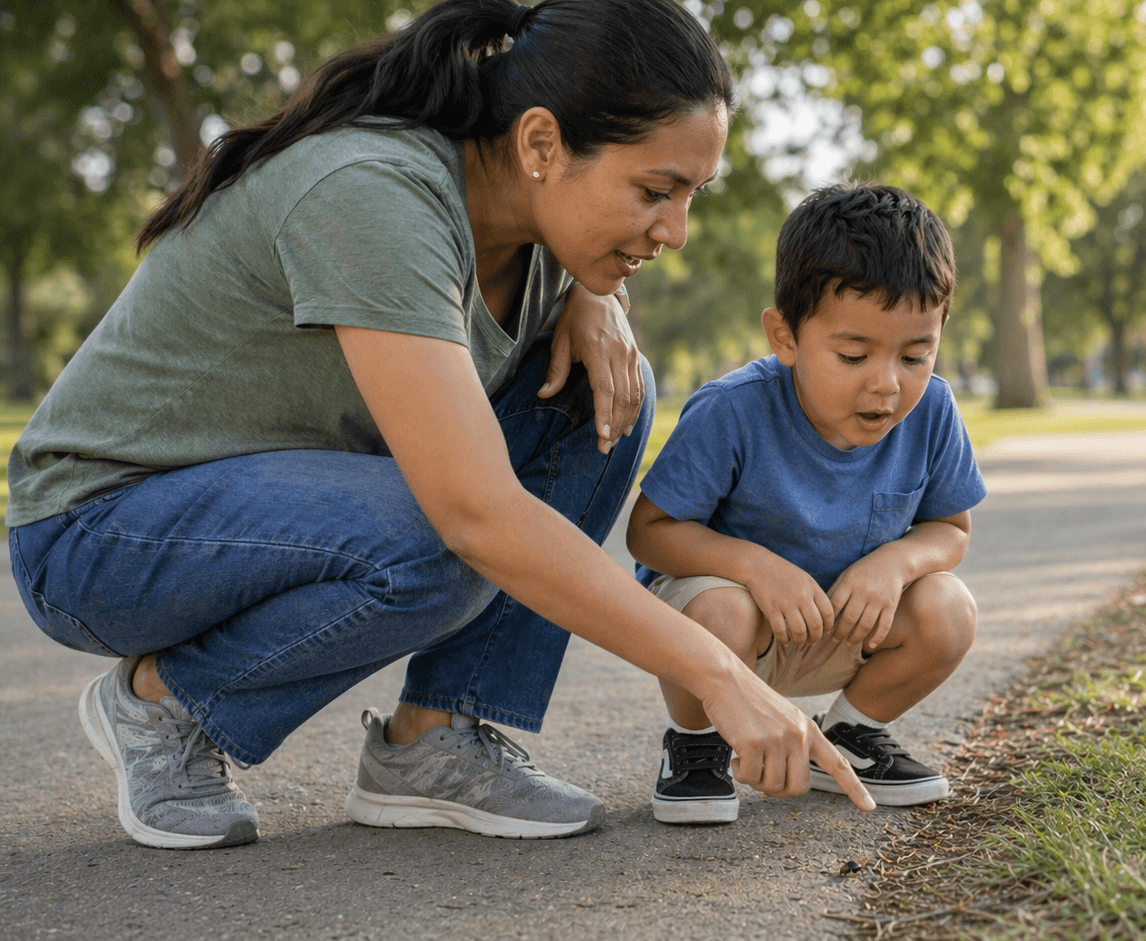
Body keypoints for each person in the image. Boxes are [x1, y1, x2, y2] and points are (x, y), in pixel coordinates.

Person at [7, 0, 871, 851]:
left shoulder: (537, 237)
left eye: (691, 193)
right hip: (98, 530)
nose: (676, 230)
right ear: (540, 143)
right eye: (656, 190)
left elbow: (499, 459)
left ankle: (435, 737)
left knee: (607, 391)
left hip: (256, 510)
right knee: (450, 533)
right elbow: (475, 512)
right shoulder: (373, 190)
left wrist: (596, 292)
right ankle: (165, 704)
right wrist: (718, 673)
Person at [625, 183, 986, 825]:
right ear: (784, 336)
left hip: (846, 627)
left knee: (949, 609)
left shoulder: (932, 410)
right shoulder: (732, 410)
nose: (887, 382)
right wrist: (756, 567)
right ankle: (697, 743)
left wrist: (896, 565)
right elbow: (649, 534)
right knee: (723, 610)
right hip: (733, 636)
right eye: (853, 354)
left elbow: (950, 530)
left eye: (915, 355)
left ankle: (846, 736)